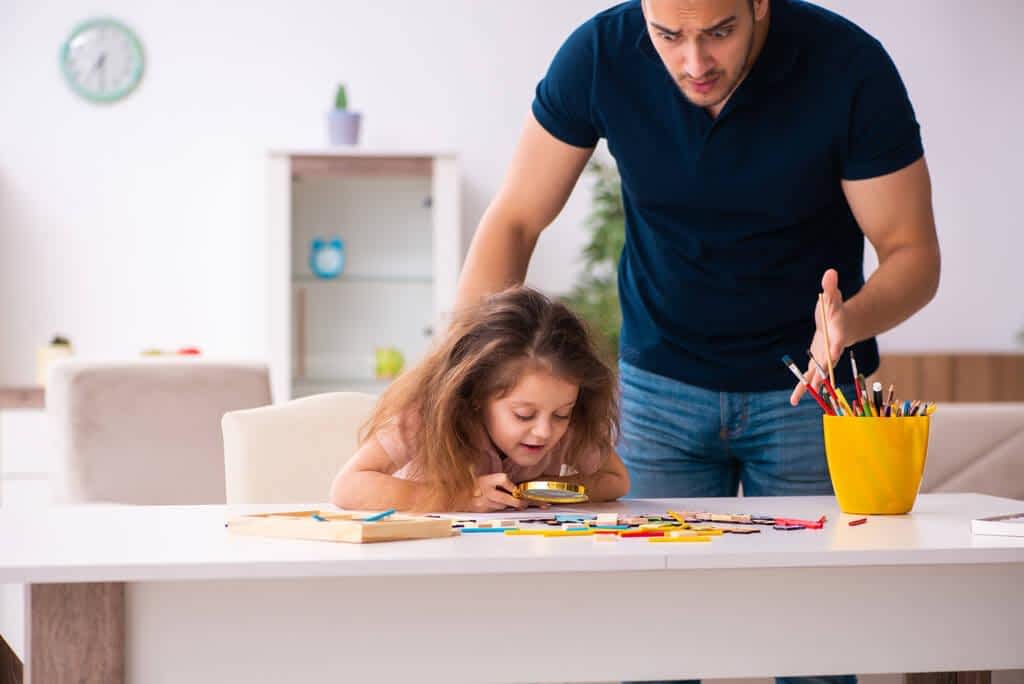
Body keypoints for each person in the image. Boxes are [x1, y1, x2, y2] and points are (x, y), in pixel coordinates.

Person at [454, 1, 940, 681]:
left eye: (719, 33)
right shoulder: (600, 53)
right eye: (668, 35)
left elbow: (914, 256)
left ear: (759, 5)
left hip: (811, 393)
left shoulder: (849, 66)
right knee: (654, 642)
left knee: (817, 646)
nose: (693, 62)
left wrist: (847, 323)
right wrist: (466, 378)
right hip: (659, 393)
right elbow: (513, 219)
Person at [329, 286, 630, 512]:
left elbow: (617, 479)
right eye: (524, 415)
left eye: (562, 414)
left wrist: (551, 488)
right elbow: (348, 487)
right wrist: (461, 496)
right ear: (476, 394)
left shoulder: (563, 426)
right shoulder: (425, 416)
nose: (545, 432)